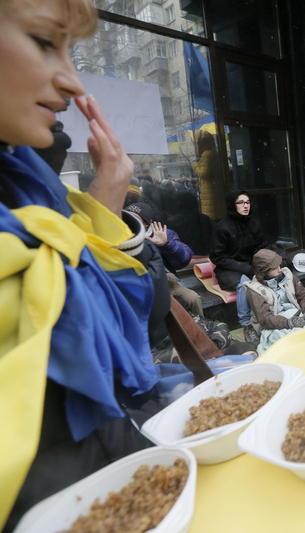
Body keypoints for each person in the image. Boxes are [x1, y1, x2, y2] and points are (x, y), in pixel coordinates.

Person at [0, 0, 173, 528]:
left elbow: (138, 323)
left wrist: (106, 199)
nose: (74, 83)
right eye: (46, 41)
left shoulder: (28, 188)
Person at [124, 202, 203, 316]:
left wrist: (166, 244)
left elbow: (184, 260)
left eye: (134, 218)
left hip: (166, 283)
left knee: (192, 298)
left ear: (146, 224)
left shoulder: (162, 234)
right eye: (126, 216)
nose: (128, 221)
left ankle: (199, 329)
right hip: (135, 286)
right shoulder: (118, 236)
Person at [210, 190, 268, 344]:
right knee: (244, 283)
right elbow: (218, 257)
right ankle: (247, 325)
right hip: (228, 270)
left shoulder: (254, 223)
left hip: (250, 266)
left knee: (274, 274)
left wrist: (262, 264)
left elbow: (261, 247)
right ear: (232, 205)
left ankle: (272, 316)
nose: (245, 206)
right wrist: (245, 268)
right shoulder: (222, 227)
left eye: (247, 202)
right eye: (241, 202)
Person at [244, 249, 305, 336]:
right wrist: (288, 323)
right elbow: (265, 318)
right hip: (273, 326)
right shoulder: (255, 290)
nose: (279, 270)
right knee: (294, 338)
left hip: (298, 315)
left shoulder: (288, 275)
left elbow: (303, 296)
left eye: (279, 266)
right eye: (275, 268)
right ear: (264, 272)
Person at [191, 130, 226, 221]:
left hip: (210, 195)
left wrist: (194, 164)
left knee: (212, 221)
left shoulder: (207, 154)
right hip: (214, 192)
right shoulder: (214, 153)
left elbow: (203, 173)